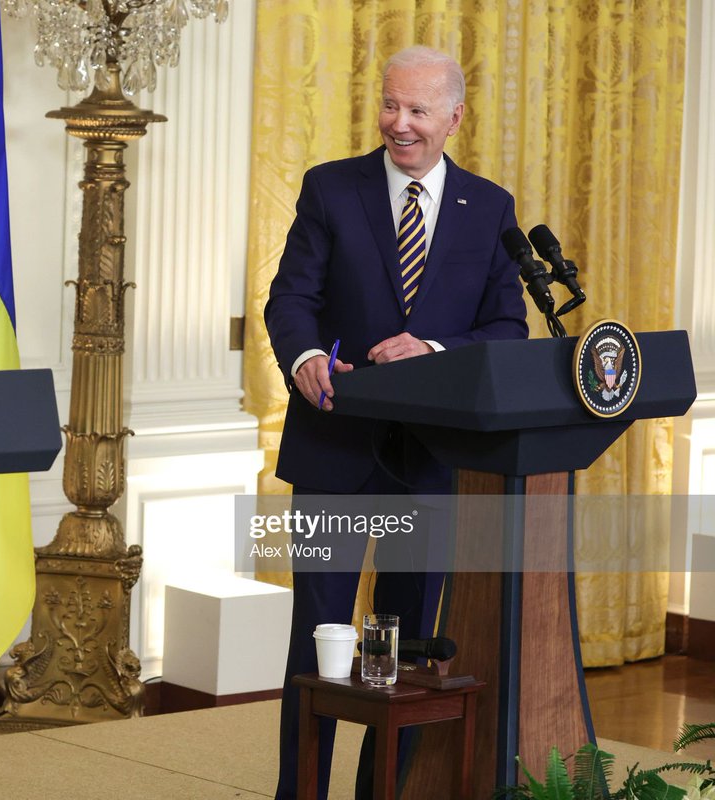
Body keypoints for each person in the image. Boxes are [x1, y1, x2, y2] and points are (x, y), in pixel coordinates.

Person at [263, 46, 529, 799]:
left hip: (431, 462)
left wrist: (435, 350)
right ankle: (302, 792)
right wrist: (306, 353)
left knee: (408, 649)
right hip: (333, 448)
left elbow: (509, 329)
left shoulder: (491, 207)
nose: (399, 124)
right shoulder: (330, 189)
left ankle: (386, 791)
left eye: (417, 111)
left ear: (454, 117)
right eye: (390, 106)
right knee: (319, 644)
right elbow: (290, 299)